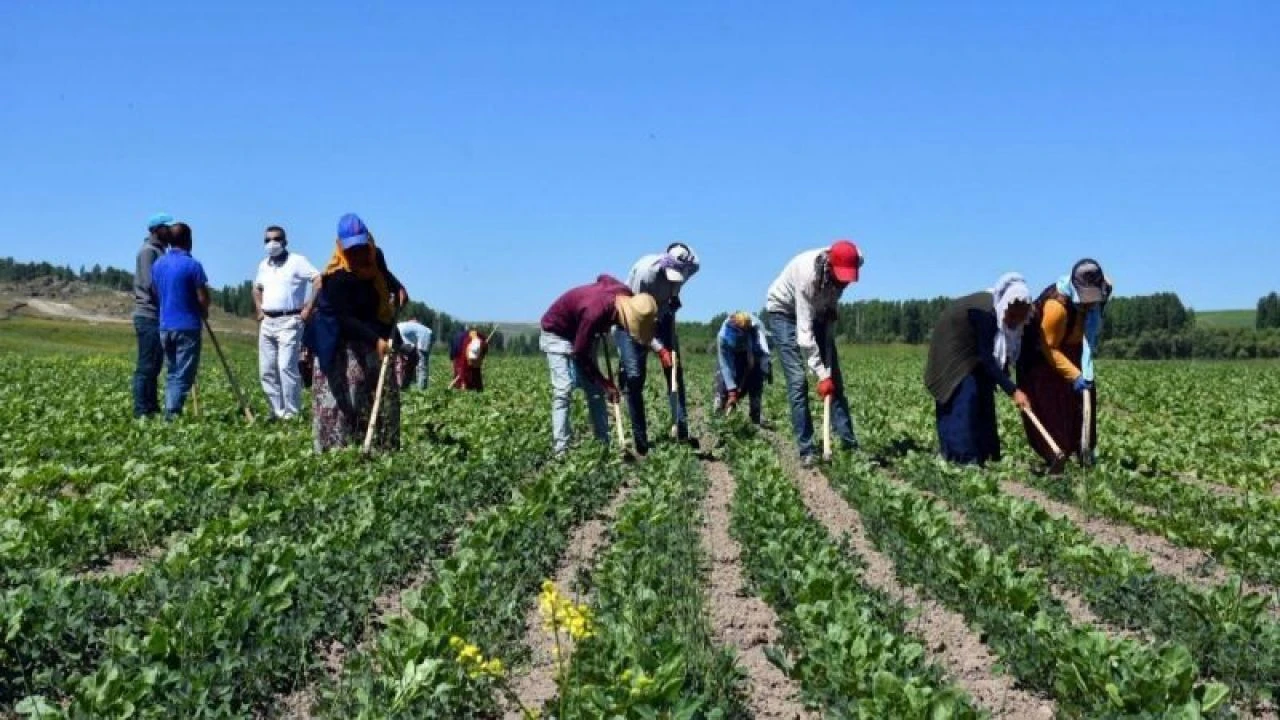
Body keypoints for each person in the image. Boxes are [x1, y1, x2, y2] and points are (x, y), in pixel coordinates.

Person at [306, 213, 403, 453]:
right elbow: (344, 318)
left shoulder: (374, 256)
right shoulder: (338, 277)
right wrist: (375, 341)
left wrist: (398, 288)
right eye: (351, 249)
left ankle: (383, 447)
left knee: (379, 392)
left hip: (370, 329)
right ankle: (338, 451)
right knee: (346, 396)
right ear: (340, 247)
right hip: (337, 338)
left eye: (361, 246)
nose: (358, 254)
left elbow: (385, 277)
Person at [765, 240, 863, 466]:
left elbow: (831, 299)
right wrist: (821, 374)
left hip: (818, 311)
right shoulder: (807, 277)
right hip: (784, 312)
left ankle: (849, 444)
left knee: (835, 380)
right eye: (841, 277)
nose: (844, 283)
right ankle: (806, 449)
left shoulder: (856, 258)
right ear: (829, 266)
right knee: (798, 381)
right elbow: (804, 336)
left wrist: (831, 311)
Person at [540, 275, 658, 456]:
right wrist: (605, 383)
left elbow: (603, 277)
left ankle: (603, 446)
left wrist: (602, 385)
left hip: (584, 333)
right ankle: (560, 452)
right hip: (557, 333)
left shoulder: (625, 294)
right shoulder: (594, 313)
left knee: (595, 392)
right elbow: (580, 354)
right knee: (564, 390)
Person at [924, 274, 1034, 465]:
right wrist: (1013, 391)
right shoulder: (986, 314)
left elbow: (998, 357)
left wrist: (1007, 380)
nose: (1014, 322)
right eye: (1012, 316)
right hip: (954, 349)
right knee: (965, 396)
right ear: (1004, 306)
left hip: (974, 350)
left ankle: (987, 454)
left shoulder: (1006, 314)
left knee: (984, 394)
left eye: (1020, 318)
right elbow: (987, 358)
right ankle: (962, 457)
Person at [1018, 259, 1112, 467]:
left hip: (1073, 349)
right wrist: (1075, 375)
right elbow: (1049, 347)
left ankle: (1083, 449)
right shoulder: (1056, 307)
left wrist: (1083, 372)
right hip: (1041, 357)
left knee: (1082, 400)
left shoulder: (1103, 289)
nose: (1090, 304)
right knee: (1050, 404)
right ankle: (1054, 453)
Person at [615, 243, 701, 451]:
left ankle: (681, 431)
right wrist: (659, 348)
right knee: (635, 377)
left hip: (663, 316)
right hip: (633, 319)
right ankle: (641, 442)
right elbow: (637, 319)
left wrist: (674, 298)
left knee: (674, 371)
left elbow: (695, 266)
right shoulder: (645, 274)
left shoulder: (691, 266)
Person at [252, 225, 319, 420]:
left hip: (290, 320)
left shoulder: (297, 261)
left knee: (285, 367)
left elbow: (318, 280)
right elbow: (257, 289)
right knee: (266, 370)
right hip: (268, 321)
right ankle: (276, 411)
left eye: (276, 239)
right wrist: (259, 309)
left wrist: (309, 308)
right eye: (267, 240)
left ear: (285, 241)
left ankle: (292, 413)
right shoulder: (264, 265)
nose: (272, 243)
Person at [151, 222, 210, 420]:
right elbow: (202, 297)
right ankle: (171, 414)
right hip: (187, 325)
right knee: (183, 374)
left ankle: (170, 409)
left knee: (172, 371)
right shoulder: (192, 265)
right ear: (188, 241)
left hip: (165, 325)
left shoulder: (158, 264)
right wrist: (203, 311)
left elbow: (156, 291)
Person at [131, 213, 174, 418]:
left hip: (157, 315)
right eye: (167, 227)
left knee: (155, 366)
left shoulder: (160, 251)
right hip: (148, 314)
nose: (170, 230)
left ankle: (152, 407)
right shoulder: (148, 252)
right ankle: (142, 410)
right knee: (146, 366)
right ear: (157, 229)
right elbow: (151, 284)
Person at [713, 312, 772, 424]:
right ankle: (720, 411)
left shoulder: (757, 331)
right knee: (723, 379)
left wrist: (765, 367)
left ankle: (755, 415)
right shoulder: (722, 336)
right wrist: (732, 391)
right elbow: (725, 365)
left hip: (752, 351)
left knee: (756, 378)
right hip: (731, 354)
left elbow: (764, 354)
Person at [396, 319, 434, 390]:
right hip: (424, 335)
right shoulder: (399, 327)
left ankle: (421, 391)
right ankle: (406, 386)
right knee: (413, 362)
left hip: (424, 337)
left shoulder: (397, 331)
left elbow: (407, 347)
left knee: (422, 366)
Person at [450, 326, 489, 391]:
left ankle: (474, 390)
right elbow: (463, 362)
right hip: (461, 359)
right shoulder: (465, 340)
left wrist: (484, 346)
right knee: (464, 376)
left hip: (470, 360)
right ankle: (463, 388)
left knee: (473, 376)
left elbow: (484, 349)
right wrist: (463, 381)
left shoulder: (479, 340)